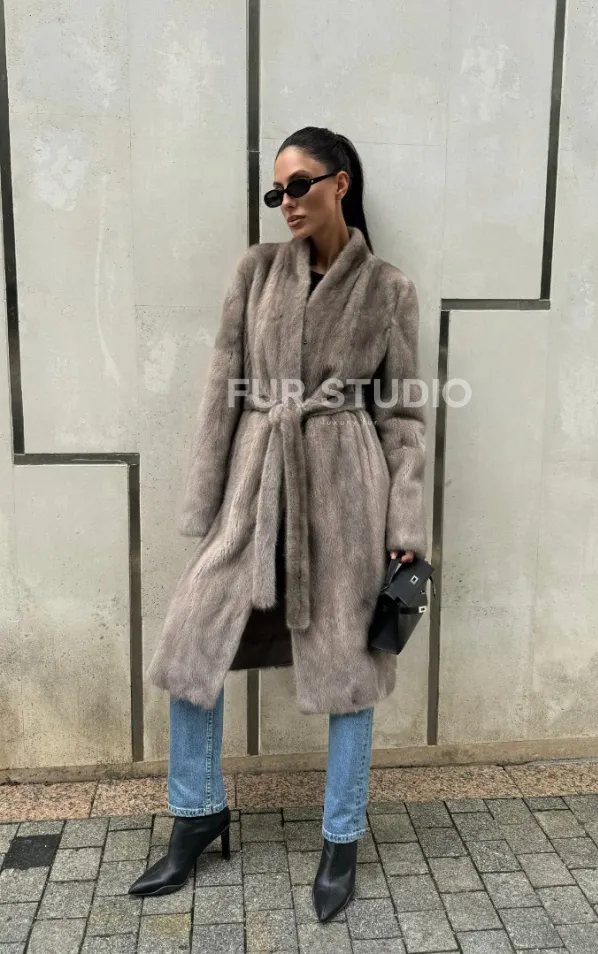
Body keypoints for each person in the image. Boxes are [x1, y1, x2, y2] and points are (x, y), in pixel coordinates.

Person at [129, 126, 428, 922]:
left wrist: (405, 534)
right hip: (258, 484)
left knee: (350, 666)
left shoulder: (389, 289)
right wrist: (208, 502)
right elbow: (220, 387)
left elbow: (403, 418)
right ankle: (197, 814)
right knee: (192, 642)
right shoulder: (256, 271)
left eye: (299, 185)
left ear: (340, 183)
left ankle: (341, 840)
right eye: (277, 191)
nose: (286, 202)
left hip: (346, 489)